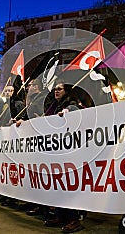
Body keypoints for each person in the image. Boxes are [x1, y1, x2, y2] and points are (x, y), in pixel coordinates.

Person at [43, 81, 85, 234]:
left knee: (69, 184)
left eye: (59, 89)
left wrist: (67, 112)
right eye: (55, 89)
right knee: (59, 183)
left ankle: (74, 219)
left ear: (66, 91)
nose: (56, 91)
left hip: (69, 151)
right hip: (57, 151)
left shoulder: (72, 103)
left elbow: (76, 110)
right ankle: (60, 215)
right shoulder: (53, 106)